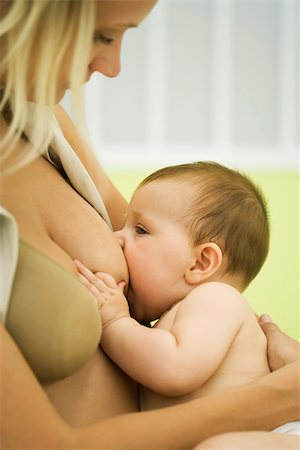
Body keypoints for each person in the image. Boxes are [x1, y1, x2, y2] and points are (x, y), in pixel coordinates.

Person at [0, 1, 299, 449]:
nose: (113, 65)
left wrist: (118, 321)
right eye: (103, 35)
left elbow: (176, 244)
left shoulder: (37, 113)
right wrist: (282, 394)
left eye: (123, 35)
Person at [75, 162, 299, 438]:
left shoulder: (217, 299)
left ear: (201, 263)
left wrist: (115, 321)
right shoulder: (176, 318)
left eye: (141, 230)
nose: (117, 237)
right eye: (123, 226)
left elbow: (175, 368)